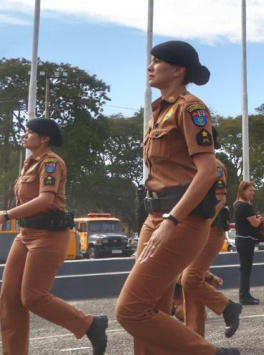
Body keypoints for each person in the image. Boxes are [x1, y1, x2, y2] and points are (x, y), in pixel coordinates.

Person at [115, 40, 236, 355]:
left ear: (178, 70)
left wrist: (172, 219)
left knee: (130, 310)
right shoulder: (159, 111)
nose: (149, 67)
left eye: (157, 61)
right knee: (152, 308)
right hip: (155, 218)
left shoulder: (190, 107)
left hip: (181, 220)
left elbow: (207, 171)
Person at [0, 118, 108, 355]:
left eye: (30, 132)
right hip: (25, 234)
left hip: (48, 236)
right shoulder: (28, 163)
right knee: (9, 300)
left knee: (33, 297)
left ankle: (90, 324)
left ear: (44, 138)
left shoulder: (51, 163)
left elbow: (46, 200)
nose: (25, 135)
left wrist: (6, 215)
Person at [181, 131, 243, 337]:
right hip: (192, 230)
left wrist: (203, 224)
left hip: (210, 229)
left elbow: (220, 200)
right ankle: (195, 339)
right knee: (190, 286)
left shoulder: (215, 166)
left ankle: (228, 307)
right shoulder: (188, 165)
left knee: (190, 279)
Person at [234, 180, 264, 305]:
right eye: (250, 190)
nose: (253, 193)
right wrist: (259, 219)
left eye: (253, 191)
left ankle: (245, 294)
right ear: (243, 191)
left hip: (244, 240)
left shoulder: (240, 205)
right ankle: (244, 296)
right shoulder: (244, 206)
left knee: (245, 268)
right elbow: (255, 223)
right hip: (245, 240)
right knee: (245, 269)